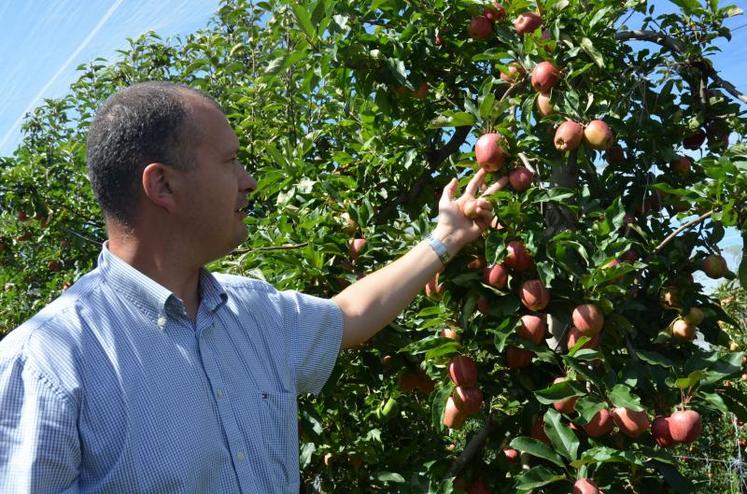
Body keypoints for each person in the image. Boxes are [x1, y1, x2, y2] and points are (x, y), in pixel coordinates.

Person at [0, 81, 502, 493]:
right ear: (163, 187)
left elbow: (350, 316)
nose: (249, 181)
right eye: (229, 161)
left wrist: (445, 239)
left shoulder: (253, 310)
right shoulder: (49, 363)